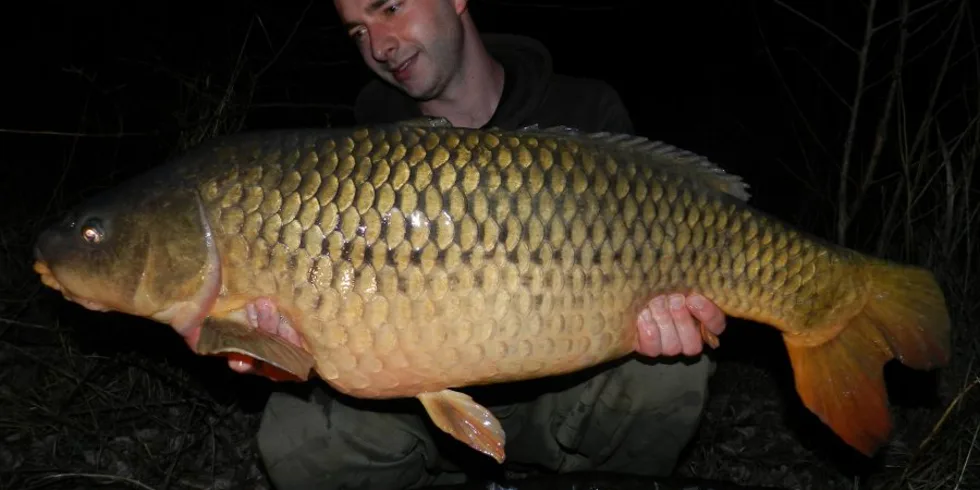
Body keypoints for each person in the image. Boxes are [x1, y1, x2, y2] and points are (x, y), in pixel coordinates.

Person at [252, 0, 728, 488]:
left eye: (390, 8)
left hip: (565, 394)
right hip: (415, 411)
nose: (378, 45)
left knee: (673, 374)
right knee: (297, 436)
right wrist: (286, 348)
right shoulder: (366, 155)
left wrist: (669, 318)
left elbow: (657, 261)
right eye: (357, 33)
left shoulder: (586, 112)